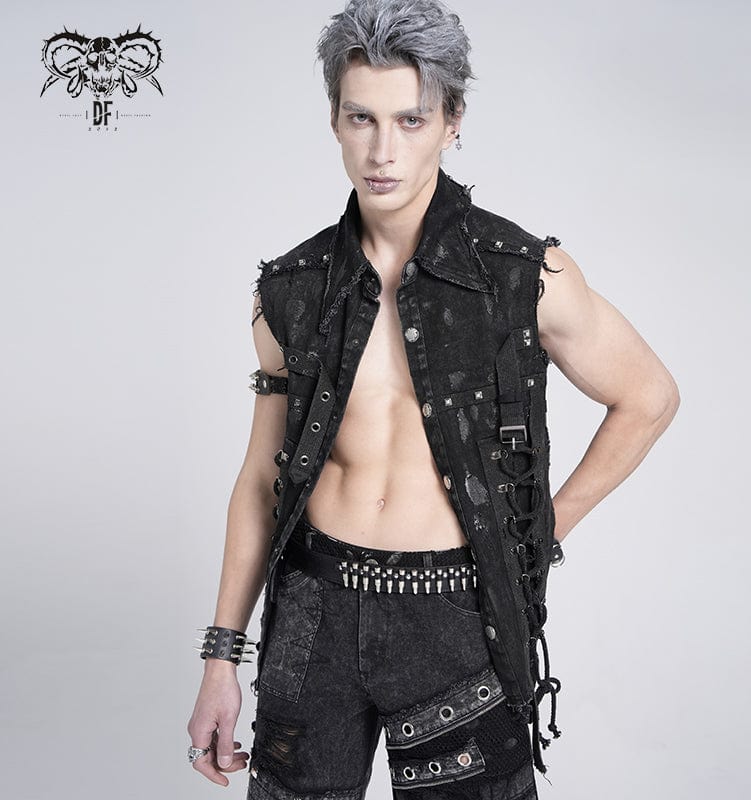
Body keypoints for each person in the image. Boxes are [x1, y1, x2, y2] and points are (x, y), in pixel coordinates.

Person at [187, 1, 680, 797]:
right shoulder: (289, 292)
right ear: (336, 121)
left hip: (454, 614)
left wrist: (543, 529)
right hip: (314, 609)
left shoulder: (523, 275)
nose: (383, 150)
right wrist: (221, 658)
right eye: (362, 118)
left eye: (410, 120)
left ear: (452, 123)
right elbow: (260, 480)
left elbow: (649, 397)